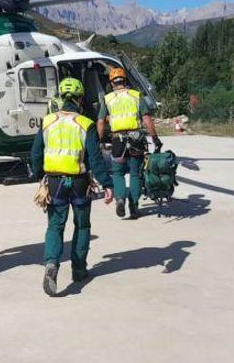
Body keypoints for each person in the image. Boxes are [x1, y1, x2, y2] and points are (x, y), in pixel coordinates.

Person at [31, 77, 114, 296]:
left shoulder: (47, 121)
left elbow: (36, 153)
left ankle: (51, 263)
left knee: (55, 226)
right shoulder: (85, 123)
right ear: (79, 98)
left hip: (55, 182)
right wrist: (107, 183)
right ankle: (78, 269)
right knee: (82, 225)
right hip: (79, 183)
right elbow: (95, 158)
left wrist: (41, 176)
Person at [97, 67, 161, 219]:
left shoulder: (107, 99)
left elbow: (100, 122)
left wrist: (100, 140)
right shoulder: (136, 95)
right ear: (125, 80)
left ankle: (120, 199)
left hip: (117, 141)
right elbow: (146, 119)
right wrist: (155, 138)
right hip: (136, 139)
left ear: (112, 83)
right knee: (135, 174)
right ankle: (133, 205)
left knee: (118, 173)